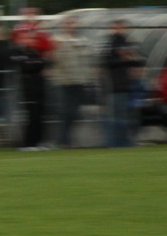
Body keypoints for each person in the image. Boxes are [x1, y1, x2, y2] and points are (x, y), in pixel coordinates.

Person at [51, 15, 96, 148]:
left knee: (75, 112)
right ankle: (62, 140)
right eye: (68, 23)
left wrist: (89, 76)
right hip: (64, 82)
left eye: (73, 23)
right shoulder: (57, 41)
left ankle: (68, 139)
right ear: (62, 26)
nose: (71, 26)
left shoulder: (83, 41)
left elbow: (89, 61)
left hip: (80, 81)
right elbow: (55, 60)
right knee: (66, 112)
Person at [102, 19, 140, 148]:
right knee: (118, 115)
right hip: (115, 85)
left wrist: (130, 57)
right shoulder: (110, 43)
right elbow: (107, 62)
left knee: (128, 115)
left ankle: (125, 140)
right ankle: (116, 142)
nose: (120, 30)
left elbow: (136, 61)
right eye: (117, 27)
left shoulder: (127, 42)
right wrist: (123, 58)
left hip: (127, 84)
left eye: (122, 27)